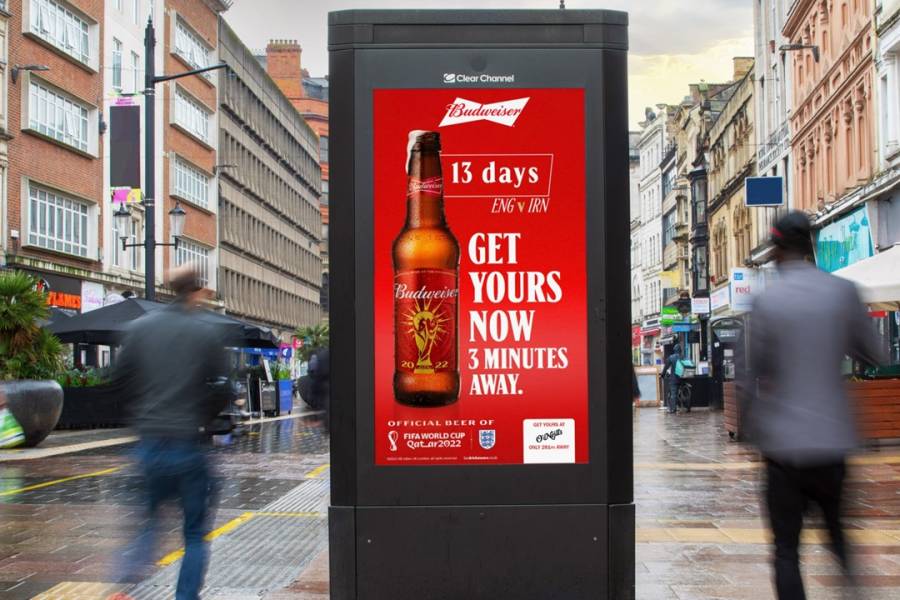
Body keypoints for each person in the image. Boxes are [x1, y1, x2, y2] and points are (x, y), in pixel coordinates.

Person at [741, 211, 882, 600]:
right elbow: (874, 353)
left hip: (783, 447)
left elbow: (750, 374)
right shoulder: (842, 292)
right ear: (810, 244)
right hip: (832, 440)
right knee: (837, 536)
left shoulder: (767, 301)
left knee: (786, 550)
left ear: (778, 249)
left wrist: (751, 433)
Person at [111, 266, 230, 600]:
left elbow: (118, 382)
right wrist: (204, 416)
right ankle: (186, 596)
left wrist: (141, 415)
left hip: (149, 443)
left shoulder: (139, 329)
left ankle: (124, 584)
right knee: (194, 533)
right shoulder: (205, 334)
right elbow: (222, 388)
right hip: (188, 443)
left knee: (147, 522)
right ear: (196, 292)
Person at [660, 344, 683, 413]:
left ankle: (673, 409)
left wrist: (662, 375)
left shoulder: (671, 357)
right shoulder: (683, 357)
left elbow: (666, 367)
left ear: (674, 350)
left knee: (673, 393)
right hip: (683, 377)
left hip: (675, 378)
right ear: (680, 350)